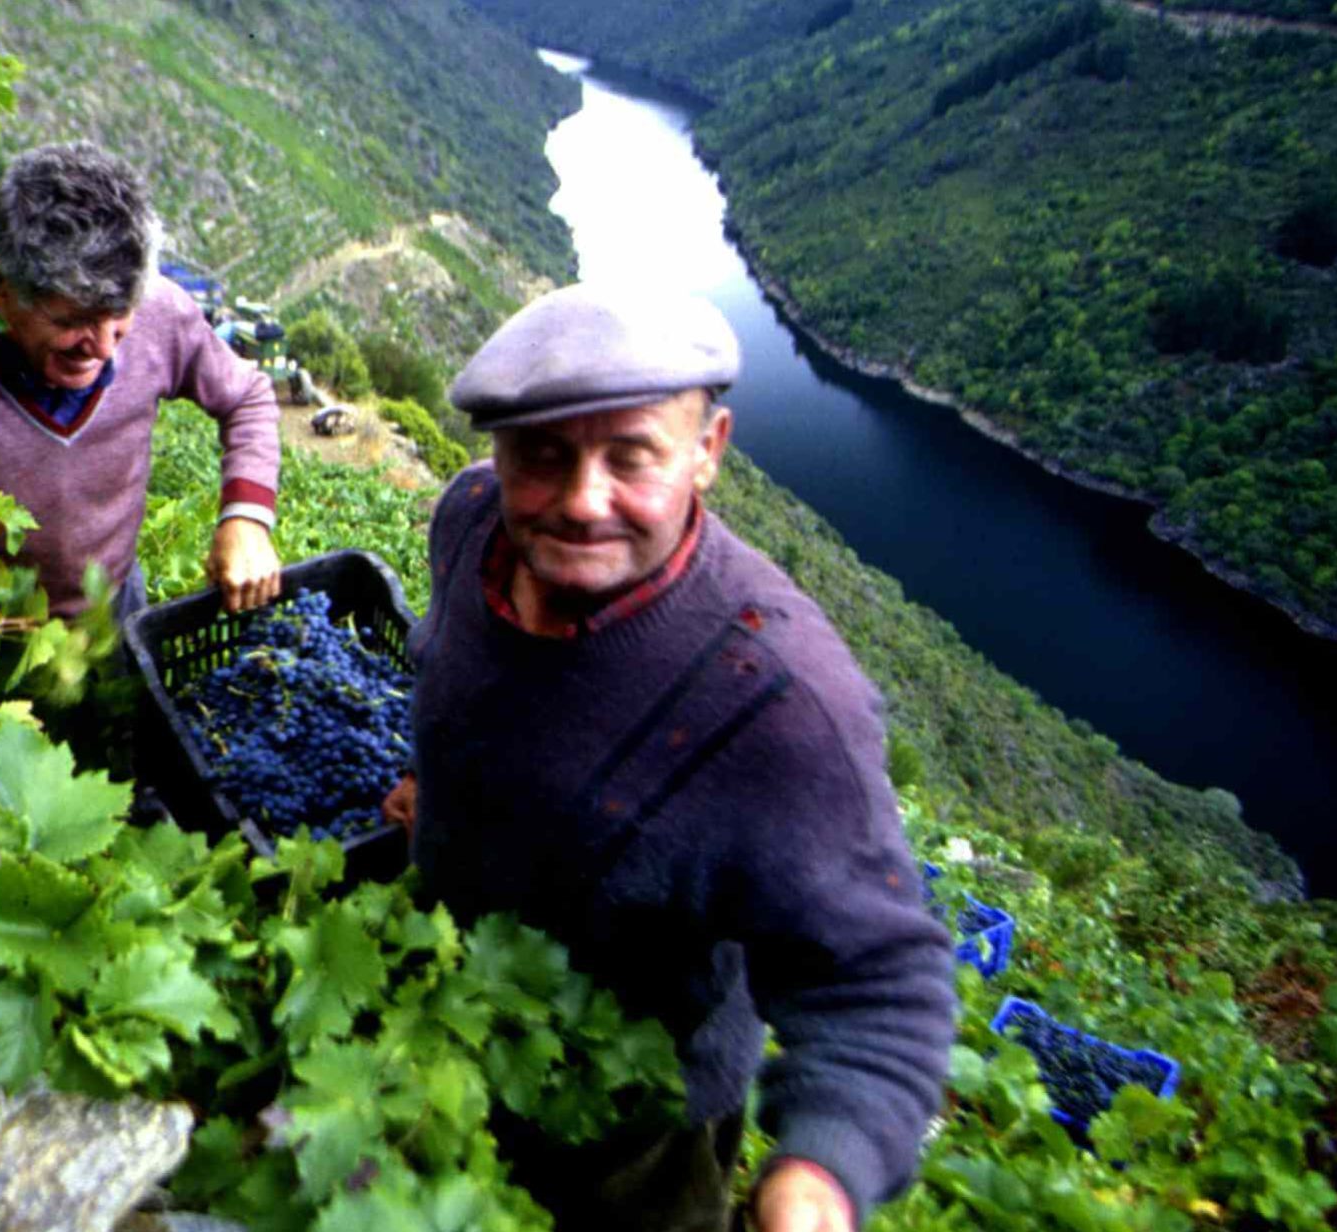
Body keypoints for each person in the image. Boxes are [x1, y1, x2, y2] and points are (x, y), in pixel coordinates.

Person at [383, 282, 956, 1231]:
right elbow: (464, 681)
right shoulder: (471, 520)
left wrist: (819, 1175)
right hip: (451, 1006)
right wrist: (438, 789)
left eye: (632, 456)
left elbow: (877, 983)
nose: (581, 501)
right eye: (542, 455)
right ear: (498, 452)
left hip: (632, 1122)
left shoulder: (779, 700)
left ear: (709, 452)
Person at [0, 141, 284, 622]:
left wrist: (246, 516)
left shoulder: (161, 311)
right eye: (73, 320)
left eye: (119, 317)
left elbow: (247, 396)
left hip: (114, 609)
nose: (106, 348)